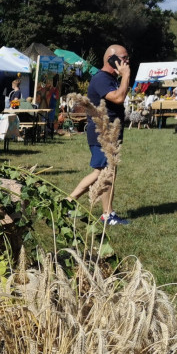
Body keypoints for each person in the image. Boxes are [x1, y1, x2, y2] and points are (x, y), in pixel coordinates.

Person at [69, 45, 131, 226]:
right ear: (112, 59)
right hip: (102, 133)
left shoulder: (110, 79)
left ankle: (68, 202)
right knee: (106, 172)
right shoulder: (102, 79)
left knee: (103, 172)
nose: (127, 62)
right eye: (124, 58)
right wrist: (126, 75)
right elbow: (118, 98)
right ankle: (107, 214)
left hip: (109, 132)